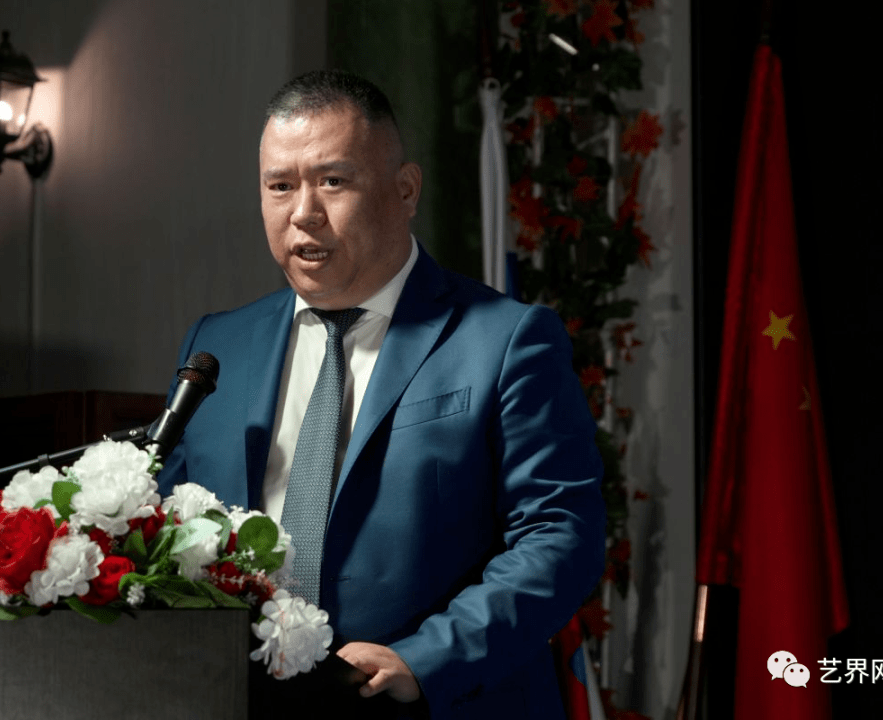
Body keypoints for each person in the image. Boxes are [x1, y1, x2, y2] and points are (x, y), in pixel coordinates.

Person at [157, 69, 605, 719]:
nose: (303, 213)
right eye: (280, 186)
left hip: (437, 702)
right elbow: (166, 532)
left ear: (405, 189)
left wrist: (425, 660)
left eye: (333, 182)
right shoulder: (218, 345)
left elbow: (560, 536)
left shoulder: (506, 340)